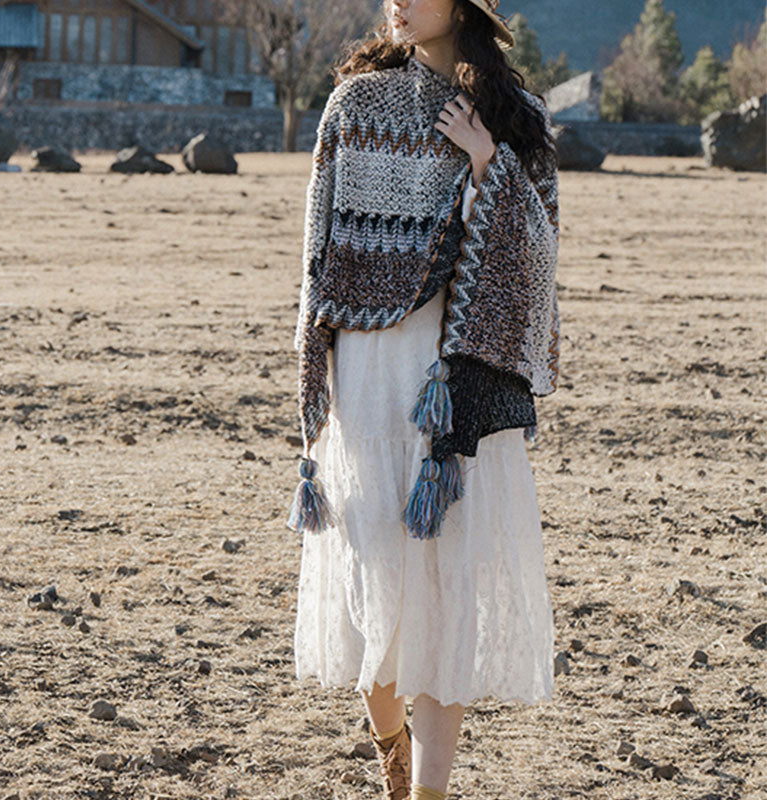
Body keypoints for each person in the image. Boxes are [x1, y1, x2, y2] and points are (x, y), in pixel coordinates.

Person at [288, 2, 560, 798]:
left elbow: (539, 258)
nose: (397, 1)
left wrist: (488, 166)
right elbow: (319, 243)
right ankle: (391, 754)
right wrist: (311, 366)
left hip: (459, 373)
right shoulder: (355, 104)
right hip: (368, 372)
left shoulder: (516, 115)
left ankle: (429, 793)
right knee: (369, 568)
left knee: (444, 589)